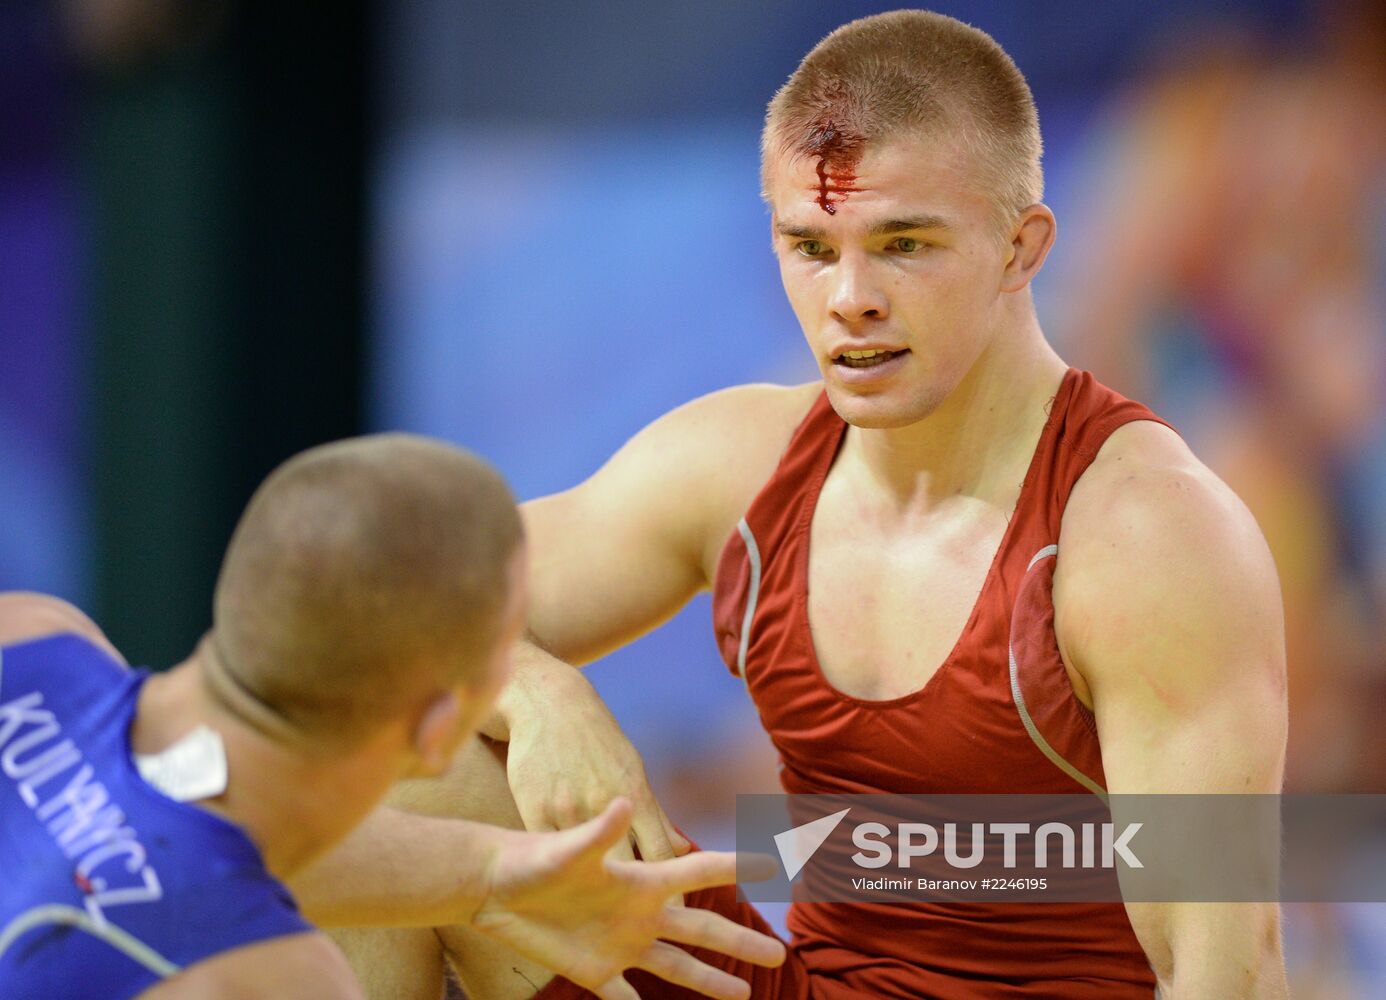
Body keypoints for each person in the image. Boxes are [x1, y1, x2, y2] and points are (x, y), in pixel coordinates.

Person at [330, 10, 1290, 999]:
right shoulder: (738, 465)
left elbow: (1232, 973)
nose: (851, 298)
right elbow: (353, 607)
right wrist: (534, 690)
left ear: (1021, 247)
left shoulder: (1143, 534)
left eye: (904, 243)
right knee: (392, 761)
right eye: (813, 247)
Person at [0, 435, 786, 1000]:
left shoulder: (32, 629)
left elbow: (151, 848)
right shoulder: (262, 976)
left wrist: (478, 877)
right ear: (439, 725)